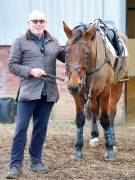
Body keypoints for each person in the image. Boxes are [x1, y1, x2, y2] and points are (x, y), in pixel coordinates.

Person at [6, 10, 65, 179]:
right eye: (35, 21)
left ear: (45, 23)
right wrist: (31, 71)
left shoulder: (54, 42)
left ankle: (35, 161)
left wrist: (79, 44)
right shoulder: (20, 41)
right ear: (29, 23)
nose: (38, 23)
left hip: (49, 93)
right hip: (28, 93)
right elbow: (12, 65)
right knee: (21, 129)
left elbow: (68, 57)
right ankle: (15, 165)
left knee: (40, 129)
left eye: (41, 21)